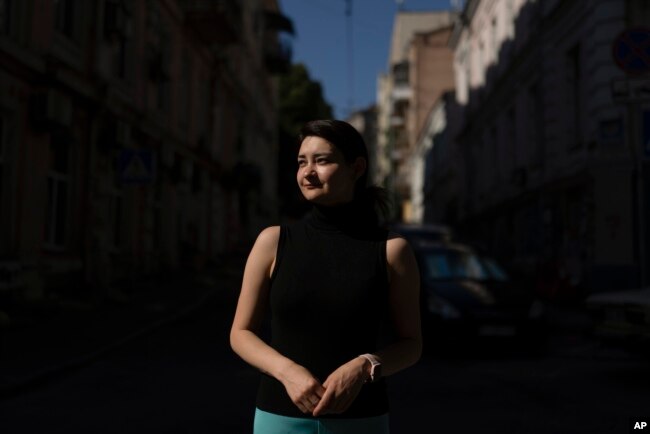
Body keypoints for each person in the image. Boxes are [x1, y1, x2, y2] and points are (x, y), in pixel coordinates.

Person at [230, 119, 422, 434]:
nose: (308, 172)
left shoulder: (391, 250)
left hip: (362, 422)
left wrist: (364, 366)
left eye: (322, 160)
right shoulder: (272, 241)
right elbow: (240, 333)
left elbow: (411, 344)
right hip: (280, 420)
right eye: (302, 162)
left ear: (356, 168)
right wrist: (288, 371)